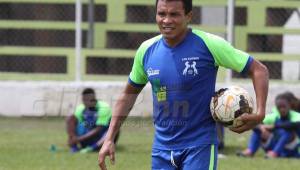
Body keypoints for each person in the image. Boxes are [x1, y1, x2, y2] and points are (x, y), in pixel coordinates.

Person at [98, 0, 269, 169]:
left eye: (174, 14)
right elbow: (128, 95)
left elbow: (259, 70)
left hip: (199, 146)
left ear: (189, 16)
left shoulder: (208, 44)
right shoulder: (146, 50)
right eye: (161, 14)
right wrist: (109, 138)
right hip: (161, 149)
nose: (166, 20)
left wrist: (260, 112)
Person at [237, 93, 300, 158]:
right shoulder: (274, 116)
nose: (282, 109)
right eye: (279, 107)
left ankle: (275, 153)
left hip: (293, 150)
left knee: (287, 132)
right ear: (276, 107)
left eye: (284, 107)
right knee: (258, 130)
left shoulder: (296, 116)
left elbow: (296, 125)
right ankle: (250, 151)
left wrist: (274, 127)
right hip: (275, 146)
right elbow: (255, 123)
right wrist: (261, 127)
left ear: (289, 106)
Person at [66, 88, 114, 153]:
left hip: (101, 135)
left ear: (94, 99)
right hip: (87, 133)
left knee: (112, 130)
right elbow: (76, 124)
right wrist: (73, 137)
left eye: (89, 100)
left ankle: (92, 148)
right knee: (70, 118)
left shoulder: (104, 107)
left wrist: (78, 139)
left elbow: (98, 129)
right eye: (84, 100)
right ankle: (74, 147)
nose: (86, 102)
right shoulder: (81, 108)